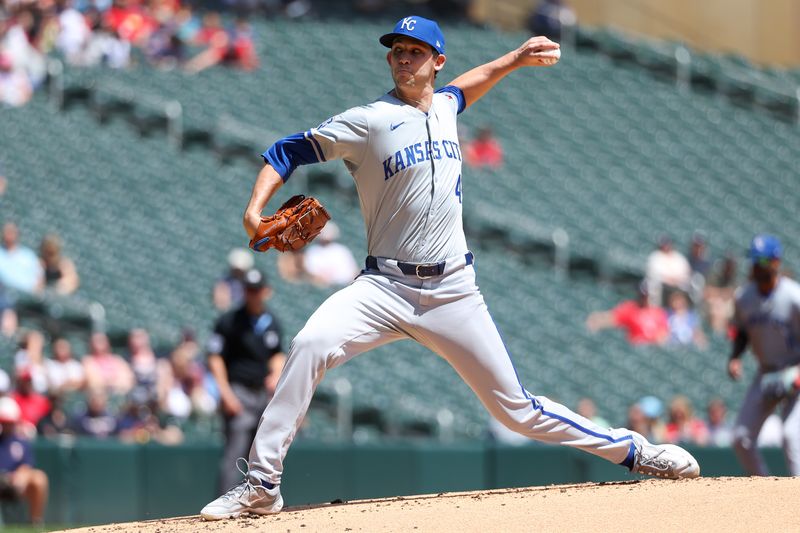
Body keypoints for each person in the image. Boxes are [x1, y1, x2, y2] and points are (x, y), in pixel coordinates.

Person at [201, 16, 699, 520]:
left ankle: (636, 452)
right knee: (309, 344)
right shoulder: (369, 120)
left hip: (454, 291)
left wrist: (515, 59)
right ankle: (262, 485)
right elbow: (286, 150)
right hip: (383, 287)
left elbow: (466, 87)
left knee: (517, 411)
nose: (402, 57)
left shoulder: (444, 107)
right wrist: (253, 208)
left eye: (415, 50)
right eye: (396, 49)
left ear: (437, 61)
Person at [207, 268, 286, 493]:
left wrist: (275, 373)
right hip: (238, 392)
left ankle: (258, 501)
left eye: (257, 290)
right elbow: (214, 357)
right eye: (249, 290)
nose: (253, 294)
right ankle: (224, 504)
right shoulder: (229, 321)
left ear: (266, 291)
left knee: (263, 455)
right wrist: (225, 393)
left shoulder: (271, 322)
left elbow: (277, 354)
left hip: (262, 393)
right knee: (235, 455)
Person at [727, 234, 800, 475]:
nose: (758, 267)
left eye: (763, 262)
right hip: (767, 373)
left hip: (796, 369)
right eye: (755, 262)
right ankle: (765, 488)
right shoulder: (744, 297)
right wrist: (735, 357)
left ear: (776, 262)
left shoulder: (793, 296)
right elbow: (743, 332)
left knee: (791, 436)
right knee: (741, 438)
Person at [0, 396, 48, 525]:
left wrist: (19, 476)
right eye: (4, 422)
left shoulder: (21, 442)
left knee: (38, 478)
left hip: (16, 483)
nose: (6, 426)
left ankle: (35, 522)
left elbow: (27, 465)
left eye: (9, 422)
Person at [586, 281, 669, 346]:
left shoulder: (658, 312)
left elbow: (663, 335)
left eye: (650, 295)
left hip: (651, 351)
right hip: (635, 349)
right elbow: (612, 318)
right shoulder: (631, 308)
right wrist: (596, 319)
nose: (647, 298)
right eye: (645, 295)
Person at [302, 222, 360, 287]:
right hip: (322, 287)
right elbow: (311, 273)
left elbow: (352, 272)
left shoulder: (341, 250)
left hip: (343, 286)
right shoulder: (313, 251)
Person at [82, 331, 135, 396]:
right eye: (96, 341)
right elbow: (93, 381)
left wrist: (113, 384)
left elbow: (127, 379)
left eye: (101, 341)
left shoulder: (118, 359)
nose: (99, 344)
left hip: (119, 394)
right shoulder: (88, 361)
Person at [645, 235, 691, 307]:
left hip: (678, 286)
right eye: (664, 244)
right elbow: (655, 274)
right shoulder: (655, 256)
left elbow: (686, 272)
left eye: (667, 244)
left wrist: (676, 280)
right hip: (662, 287)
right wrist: (669, 280)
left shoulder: (678, 257)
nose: (666, 246)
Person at [0, 222, 43, 295]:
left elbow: (39, 279)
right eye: (7, 232)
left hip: (26, 296)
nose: (9, 235)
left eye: (12, 232)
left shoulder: (28, 255)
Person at [212, 247, 254, 312]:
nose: (238, 272)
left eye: (240, 270)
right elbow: (220, 304)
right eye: (236, 270)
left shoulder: (251, 284)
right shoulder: (224, 281)